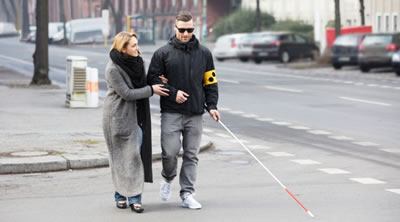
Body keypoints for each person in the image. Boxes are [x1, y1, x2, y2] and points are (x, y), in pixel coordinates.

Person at [147, 11, 220, 209]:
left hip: (195, 113)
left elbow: (210, 83)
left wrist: (212, 106)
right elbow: (152, 79)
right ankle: (168, 177)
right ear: (175, 28)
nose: (186, 34)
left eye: (189, 30)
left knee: (191, 155)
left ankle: (187, 193)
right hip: (171, 112)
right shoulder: (162, 53)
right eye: (182, 30)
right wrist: (173, 93)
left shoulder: (204, 54)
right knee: (170, 153)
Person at [103, 32, 169, 213]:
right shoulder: (112, 69)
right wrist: (151, 90)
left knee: (133, 156)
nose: (137, 48)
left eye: (137, 44)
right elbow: (127, 93)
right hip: (118, 117)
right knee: (122, 157)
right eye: (133, 46)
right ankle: (126, 196)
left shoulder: (139, 62)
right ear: (123, 48)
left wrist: (154, 82)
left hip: (138, 116)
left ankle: (130, 195)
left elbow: (139, 84)